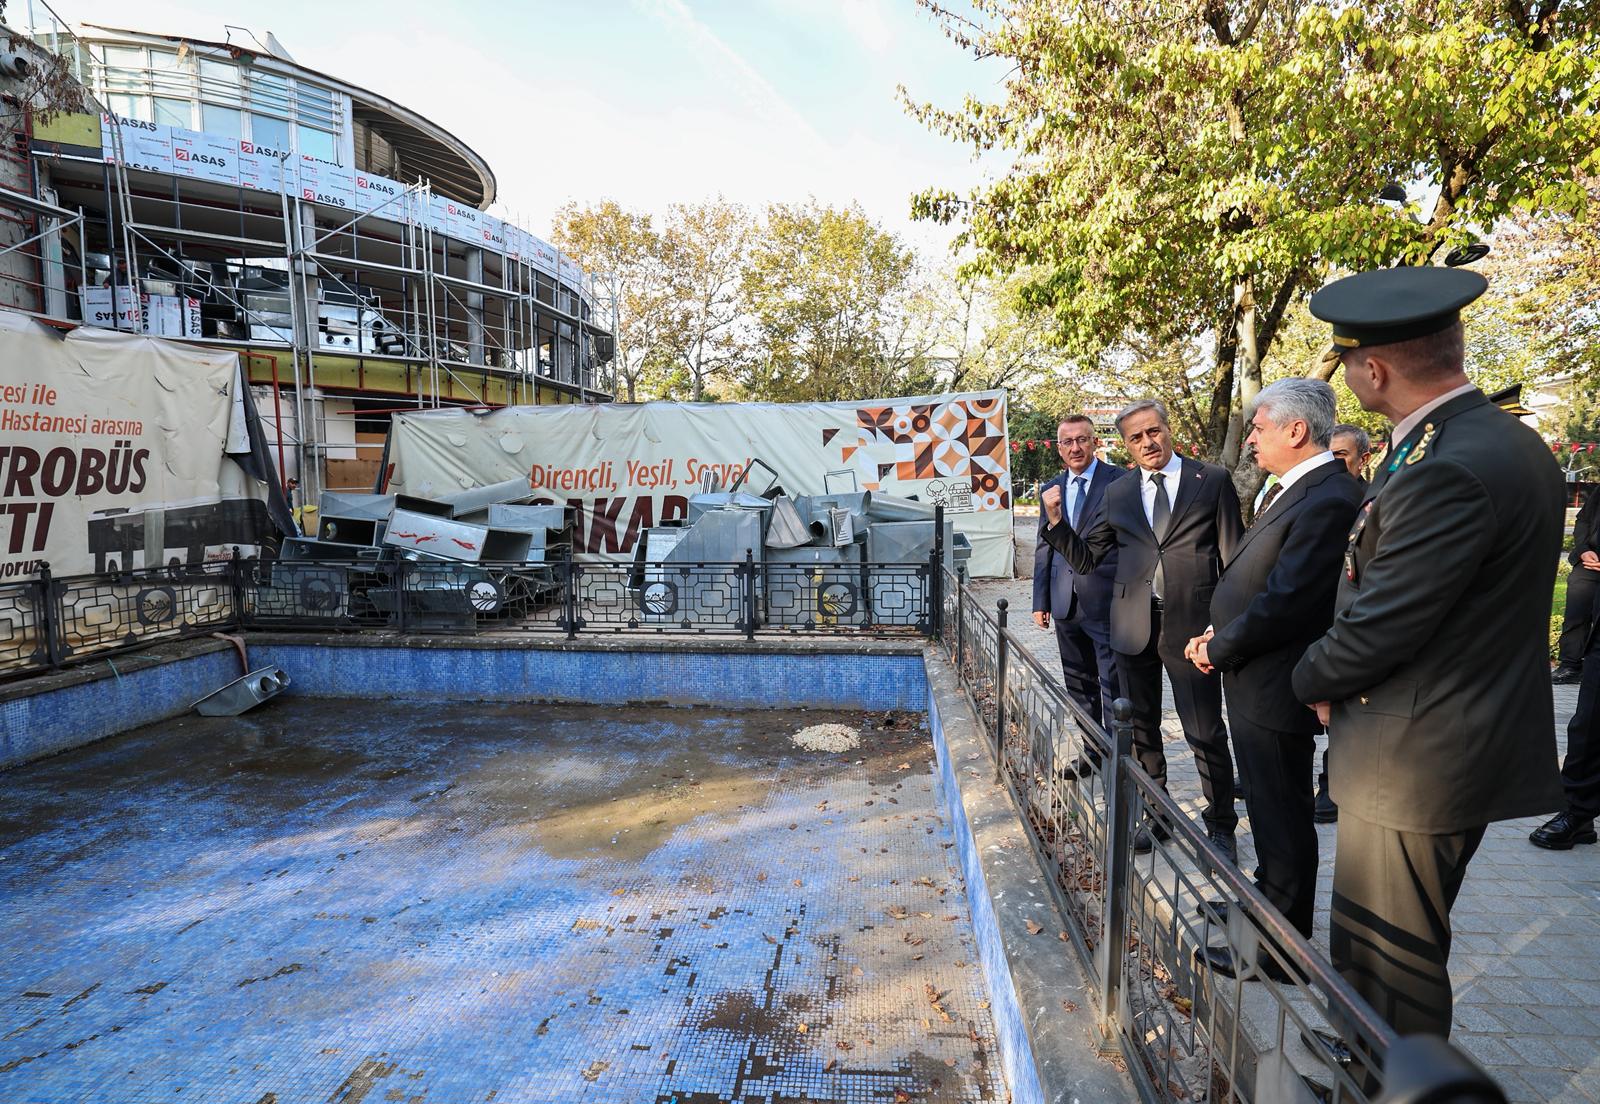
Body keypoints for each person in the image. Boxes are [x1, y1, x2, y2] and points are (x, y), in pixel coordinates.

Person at [1291, 265, 1565, 1039]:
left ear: (1373, 369)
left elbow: (1383, 621)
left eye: (1348, 362)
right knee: (1387, 954)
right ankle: (1369, 1066)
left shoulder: (1445, 463)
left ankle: (1392, 1085)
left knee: (1389, 963)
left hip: (1416, 755)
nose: (1349, 374)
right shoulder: (1492, 440)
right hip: (1442, 737)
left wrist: (1308, 676)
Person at [1185, 379, 1362, 980]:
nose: (1251, 439)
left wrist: (1220, 647)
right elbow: (1258, 583)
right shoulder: (1293, 489)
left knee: (1282, 815)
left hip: (1277, 681)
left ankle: (1280, 953)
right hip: (1252, 673)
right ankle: (1262, 909)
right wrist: (1219, 638)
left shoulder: (1330, 496)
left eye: (1258, 428)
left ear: (1295, 430)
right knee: (1264, 804)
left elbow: (1289, 601)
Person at [1040, 399, 1243, 858]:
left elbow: (1235, 560)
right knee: (1143, 731)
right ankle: (1157, 814)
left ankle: (1221, 826)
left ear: (1167, 431)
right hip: (1131, 627)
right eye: (1136, 437)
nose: (1148, 443)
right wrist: (1056, 523)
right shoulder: (1119, 493)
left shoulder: (1209, 480)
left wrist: (1222, 626)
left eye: (1154, 432)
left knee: (1204, 731)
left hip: (1194, 630)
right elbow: (1087, 559)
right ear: (1126, 445)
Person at [1032, 416, 1126, 733]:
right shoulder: (1050, 489)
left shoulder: (1119, 481)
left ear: (1094, 441)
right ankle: (1093, 752)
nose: (1075, 448)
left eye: (1082, 439)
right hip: (1064, 604)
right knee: (1078, 684)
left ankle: (1119, 765)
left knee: (1114, 686)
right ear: (1059, 448)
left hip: (1105, 601)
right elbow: (1044, 548)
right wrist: (1039, 601)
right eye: (1067, 442)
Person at [1311, 422, 1375, 825]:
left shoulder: (1372, 501)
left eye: (1341, 457)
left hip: (1348, 617)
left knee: (1341, 709)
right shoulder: (1313, 493)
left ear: (1362, 459)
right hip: (1310, 615)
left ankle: (1332, 781)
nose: (1332, 465)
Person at [1552, 488, 1599, 684]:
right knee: (1575, 613)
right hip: (1589, 561)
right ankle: (1570, 666)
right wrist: (1583, 550)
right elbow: (1583, 521)